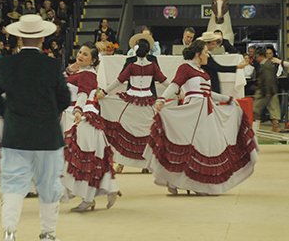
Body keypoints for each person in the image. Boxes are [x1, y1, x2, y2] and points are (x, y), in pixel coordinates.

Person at [0, 14, 70, 241]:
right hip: (47, 134)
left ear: (19, 37)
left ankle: (9, 232)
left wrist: (10, 114)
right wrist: (49, 112)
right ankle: (48, 235)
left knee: (13, 183)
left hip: (16, 134)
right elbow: (65, 98)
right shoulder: (53, 65)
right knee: (49, 183)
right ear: (43, 38)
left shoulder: (7, 64)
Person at [143, 40, 259, 195]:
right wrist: (162, 98)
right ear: (197, 54)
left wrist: (229, 99)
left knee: (204, 146)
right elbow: (175, 85)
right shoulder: (185, 68)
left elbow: (209, 94)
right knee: (190, 145)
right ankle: (176, 181)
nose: (207, 55)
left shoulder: (204, 72)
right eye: (205, 52)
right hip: (192, 110)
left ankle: (198, 183)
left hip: (206, 110)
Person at [97, 34, 170, 173]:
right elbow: (163, 80)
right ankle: (146, 162)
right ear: (148, 51)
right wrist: (176, 89)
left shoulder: (131, 65)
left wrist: (104, 93)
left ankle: (128, 161)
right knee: (149, 129)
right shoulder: (152, 65)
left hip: (131, 98)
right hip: (148, 99)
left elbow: (118, 81)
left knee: (127, 128)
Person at [61, 42, 120, 212]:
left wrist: (79, 110)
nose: (80, 56)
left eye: (85, 54)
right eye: (80, 52)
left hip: (83, 118)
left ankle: (89, 199)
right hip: (76, 115)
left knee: (82, 160)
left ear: (93, 60)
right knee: (84, 160)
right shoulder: (82, 72)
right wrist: (69, 70)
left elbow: (83, 94)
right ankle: (103, 190)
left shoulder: (87, 74)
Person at [252, 49, 281, 132]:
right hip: (271, 89)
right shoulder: (268, 64)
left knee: (255, 108)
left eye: (257, 57)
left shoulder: (266, 65)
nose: (256, 59)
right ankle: (276, 127)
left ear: (261, 56)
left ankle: (254, 127)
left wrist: (267, 91)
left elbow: (268, 78)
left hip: (265, 91)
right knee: (273, 108)